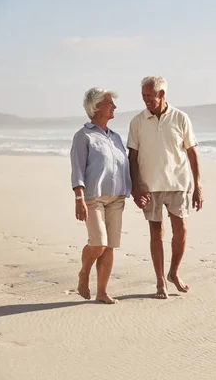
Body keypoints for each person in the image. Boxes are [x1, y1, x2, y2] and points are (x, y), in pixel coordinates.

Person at [127, 75, 203, 299]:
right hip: (150, 185)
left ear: (162, 94)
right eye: (143, 96)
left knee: (181, 231)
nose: (145, 100)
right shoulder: (137, 122)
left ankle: (174, 273)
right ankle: (160, 281)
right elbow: (132, 156)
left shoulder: (181, 118)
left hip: (179, 184)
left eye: (149, 96)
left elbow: (191, 152)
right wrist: (136, 187)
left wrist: (198, 186)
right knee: (156, 232)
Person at [70, 87, 132, 304]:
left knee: (110, 246)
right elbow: (77, 169)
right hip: (93, 198)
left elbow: (124, 167)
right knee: (98, 244)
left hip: (117, 198)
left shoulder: (115, 138)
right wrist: (79, 199)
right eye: (109, 102)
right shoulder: (83, 136)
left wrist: (135, 190)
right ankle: (84, 273)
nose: (114, 106)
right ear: (96, 106)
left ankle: (102, 292)